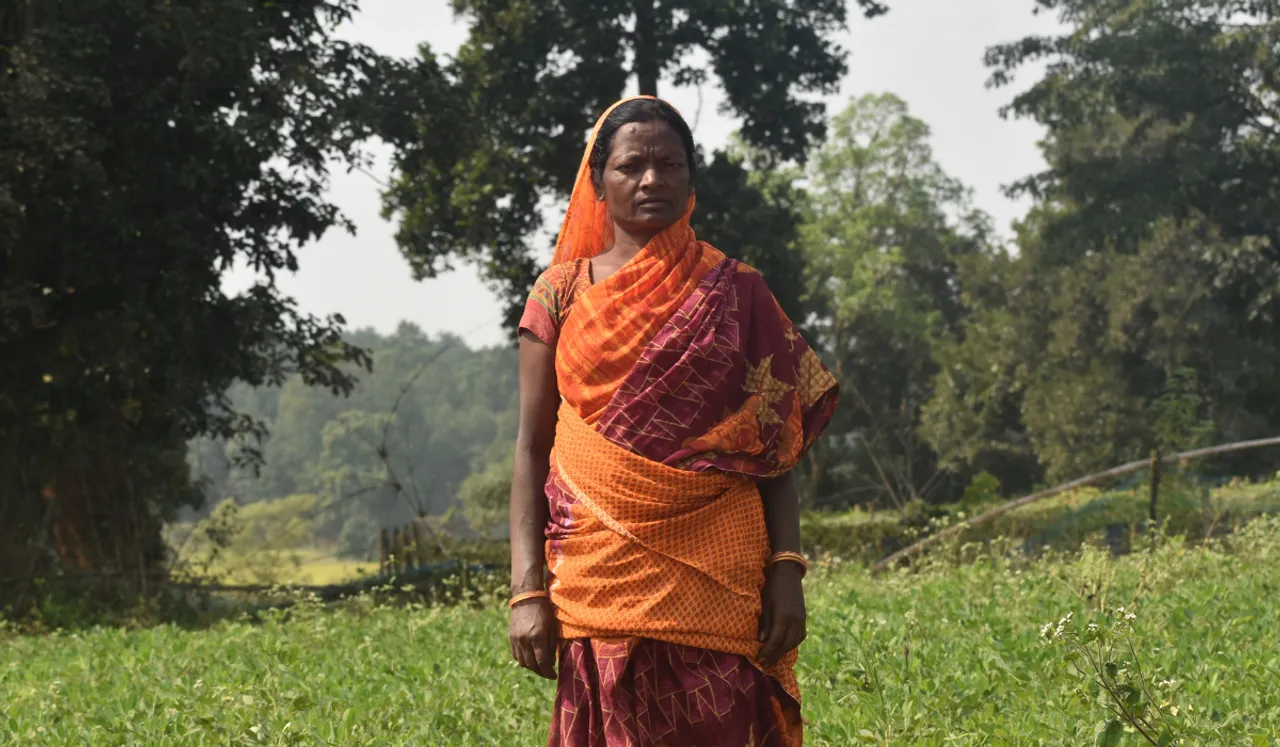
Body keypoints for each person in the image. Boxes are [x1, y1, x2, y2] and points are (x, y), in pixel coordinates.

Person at [507, 95, 839, 747]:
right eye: (632, 165)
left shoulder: (739, 292)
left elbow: (771, 446)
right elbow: (531, 445)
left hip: (721, 576)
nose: (652, 178)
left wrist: (787, 568)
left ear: (691, 176)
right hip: (598, 579)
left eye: (669, 163)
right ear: (599, 181)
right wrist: (527, 590)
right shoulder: (559, 294)